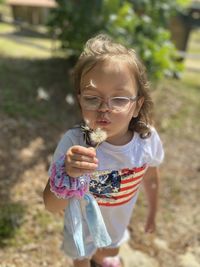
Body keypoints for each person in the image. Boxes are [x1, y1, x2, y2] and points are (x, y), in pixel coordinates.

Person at [43, 34, 164, 267]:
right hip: (80, 229)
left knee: (108, 252)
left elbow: (151, 178)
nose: (104, 108)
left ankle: (104, 259)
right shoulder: (74, 144)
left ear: (137, 105)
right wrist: (68, 174)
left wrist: (152, 214)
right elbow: (51, 206)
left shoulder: (146, 141)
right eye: (92, 98)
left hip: (115, 227)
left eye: (118, 99)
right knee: (81, 259)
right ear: (80, 101)